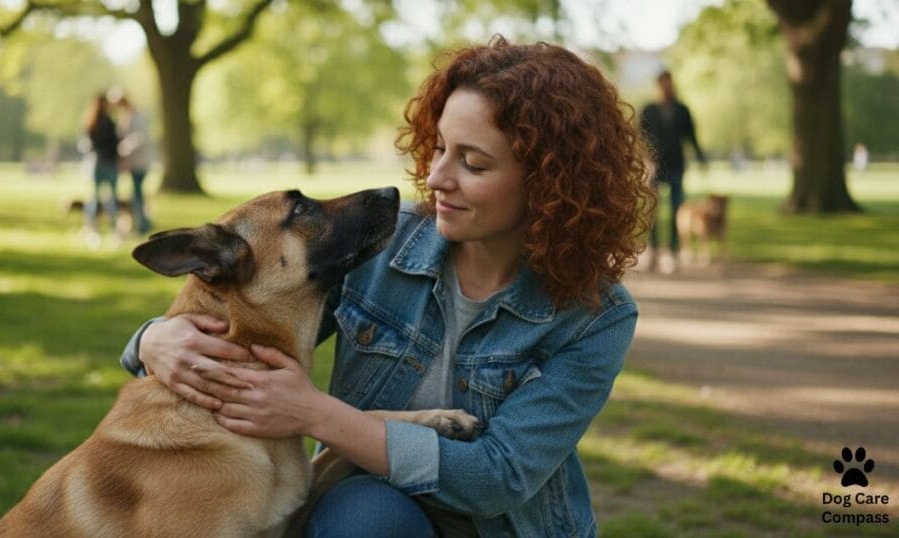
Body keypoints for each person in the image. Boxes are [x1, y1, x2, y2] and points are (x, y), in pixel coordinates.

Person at [120, 37, 654, 537]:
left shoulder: (595, 316)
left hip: (501, 526)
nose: (438, 176)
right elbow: (246, 320)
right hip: (374, 507)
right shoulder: (380, 245)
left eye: (472, 162)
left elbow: (499, 478)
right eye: (441, 147)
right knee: (367, 517)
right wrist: (150, 341)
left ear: (548, 184)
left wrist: (314, 414)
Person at [639, 70, 705, 273]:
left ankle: (675, 251)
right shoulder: (649, 110)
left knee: (678, 209)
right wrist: (645, 162)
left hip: (676, 165)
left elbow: (691, 135)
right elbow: (641, 137)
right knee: (654, 211)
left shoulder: (682, 110)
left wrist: (700, 157)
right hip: (656, 167)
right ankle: (654, 249)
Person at [110, 88, 154, 235]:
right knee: (136, 193)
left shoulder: (137, 116)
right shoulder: (126, 117)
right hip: (133, 163)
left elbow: (140, 137)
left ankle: (143, 224)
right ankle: (142, 222)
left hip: (140, 162)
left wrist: (124, 149)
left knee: (137, 194)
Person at [82, 93, 121, 248]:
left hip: (97, 162)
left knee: (96, 197)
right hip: (107, 162)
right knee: (108, 197)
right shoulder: (107, 122)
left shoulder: (91, 122)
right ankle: (110, 229)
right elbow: (114, 143)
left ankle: (93, 229)